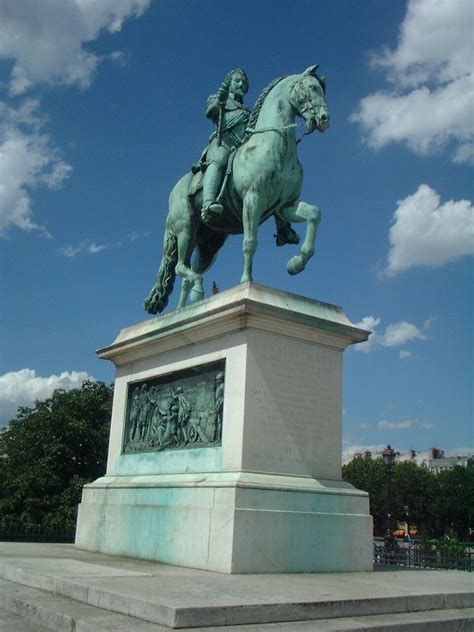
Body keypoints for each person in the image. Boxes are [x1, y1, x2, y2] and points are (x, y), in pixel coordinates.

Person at [201, 68, 250, 223]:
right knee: (219, 160)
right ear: (229, 84)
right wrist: (219, 101)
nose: (241, 84)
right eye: (237, 81)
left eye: (244, 83)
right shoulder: (218, 98)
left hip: (242, 148)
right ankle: (208, 202)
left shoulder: (248, 111)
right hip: (224, 142)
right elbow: (210, 112)